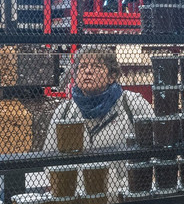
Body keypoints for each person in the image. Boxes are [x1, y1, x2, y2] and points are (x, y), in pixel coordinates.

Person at [44, 46, 154, 190]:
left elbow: (155, 152)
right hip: (79, 199)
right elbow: (48, 161)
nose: (88, 71)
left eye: (96, 66)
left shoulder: (133, 106)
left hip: (124, 196)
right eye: (82, 66)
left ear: (112, 76)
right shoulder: (64, 112)